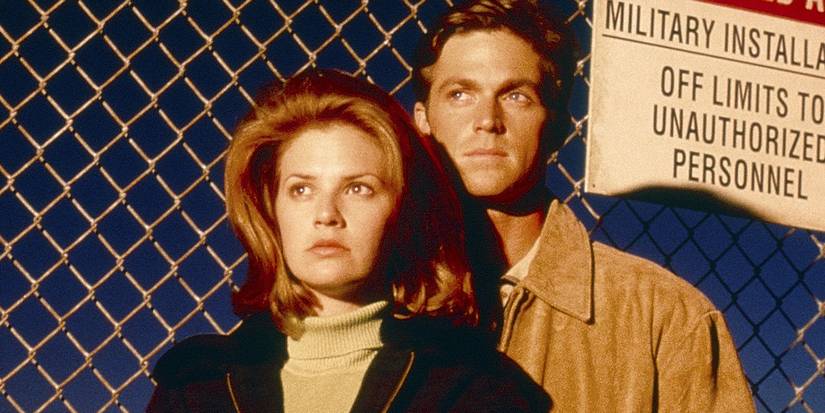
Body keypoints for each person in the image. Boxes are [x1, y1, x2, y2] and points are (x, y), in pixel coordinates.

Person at [411, 1, 756, 411]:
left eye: (517, 95)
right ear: (423, 120)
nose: (487, 119)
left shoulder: (664, 316)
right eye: (460, 94)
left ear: (555, 124)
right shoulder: (376, 296)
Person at [146, 69, 549, 412]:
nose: (326, 214)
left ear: (403, 209)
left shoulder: (474, 388)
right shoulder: (195, 387)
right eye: (301, 190)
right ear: (272, 210)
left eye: (358, 189)